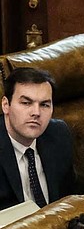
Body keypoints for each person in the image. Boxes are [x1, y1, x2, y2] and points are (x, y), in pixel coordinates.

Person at [0, 67, 74, 210]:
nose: (36, 113)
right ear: (5, 105)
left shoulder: (58, 134)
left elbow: (69, 199)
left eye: (44, 105)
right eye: (26, 103)